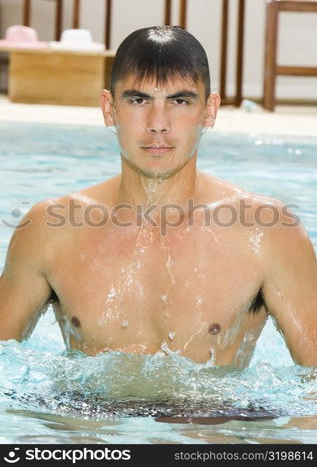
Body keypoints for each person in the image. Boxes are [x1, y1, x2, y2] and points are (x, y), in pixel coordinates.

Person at [0, 25, 316, 367]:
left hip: (213, 420)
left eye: (180, 101)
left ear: (209, 110)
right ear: (109, 108)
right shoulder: (48, 230)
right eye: (139, 100)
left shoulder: (267, 232)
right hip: (84, 419)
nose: (158, 123)